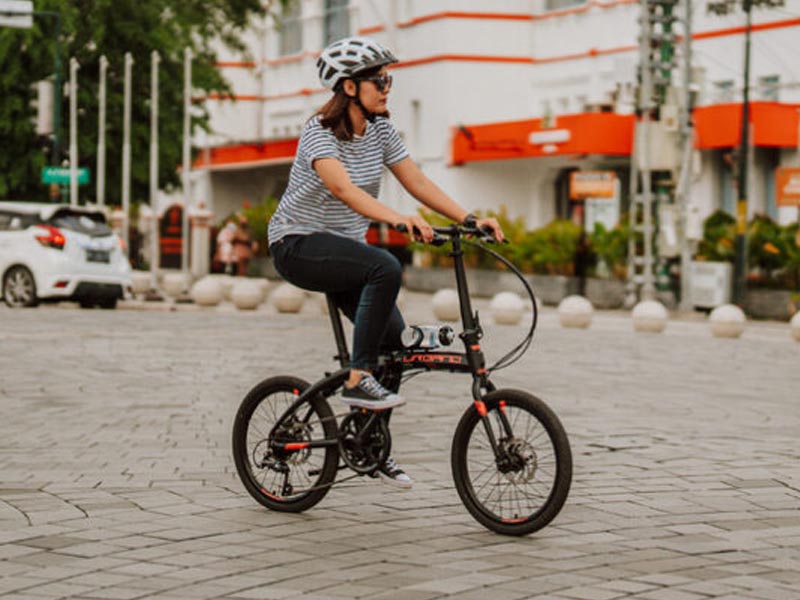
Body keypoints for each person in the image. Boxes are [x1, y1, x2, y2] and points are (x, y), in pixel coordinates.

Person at [267, 36, 504, 488]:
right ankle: (358, 376)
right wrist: (397, 220)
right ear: (349, 87)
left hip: (343, 253)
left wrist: (470, 219)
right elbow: (343, 189)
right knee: (386, 266)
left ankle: (368, 445)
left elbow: (416, 181)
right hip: (297, 244)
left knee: (395, 345)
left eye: (388, 78)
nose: (386, 86)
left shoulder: (380, 131)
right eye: (378, 79)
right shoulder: (319, 132)